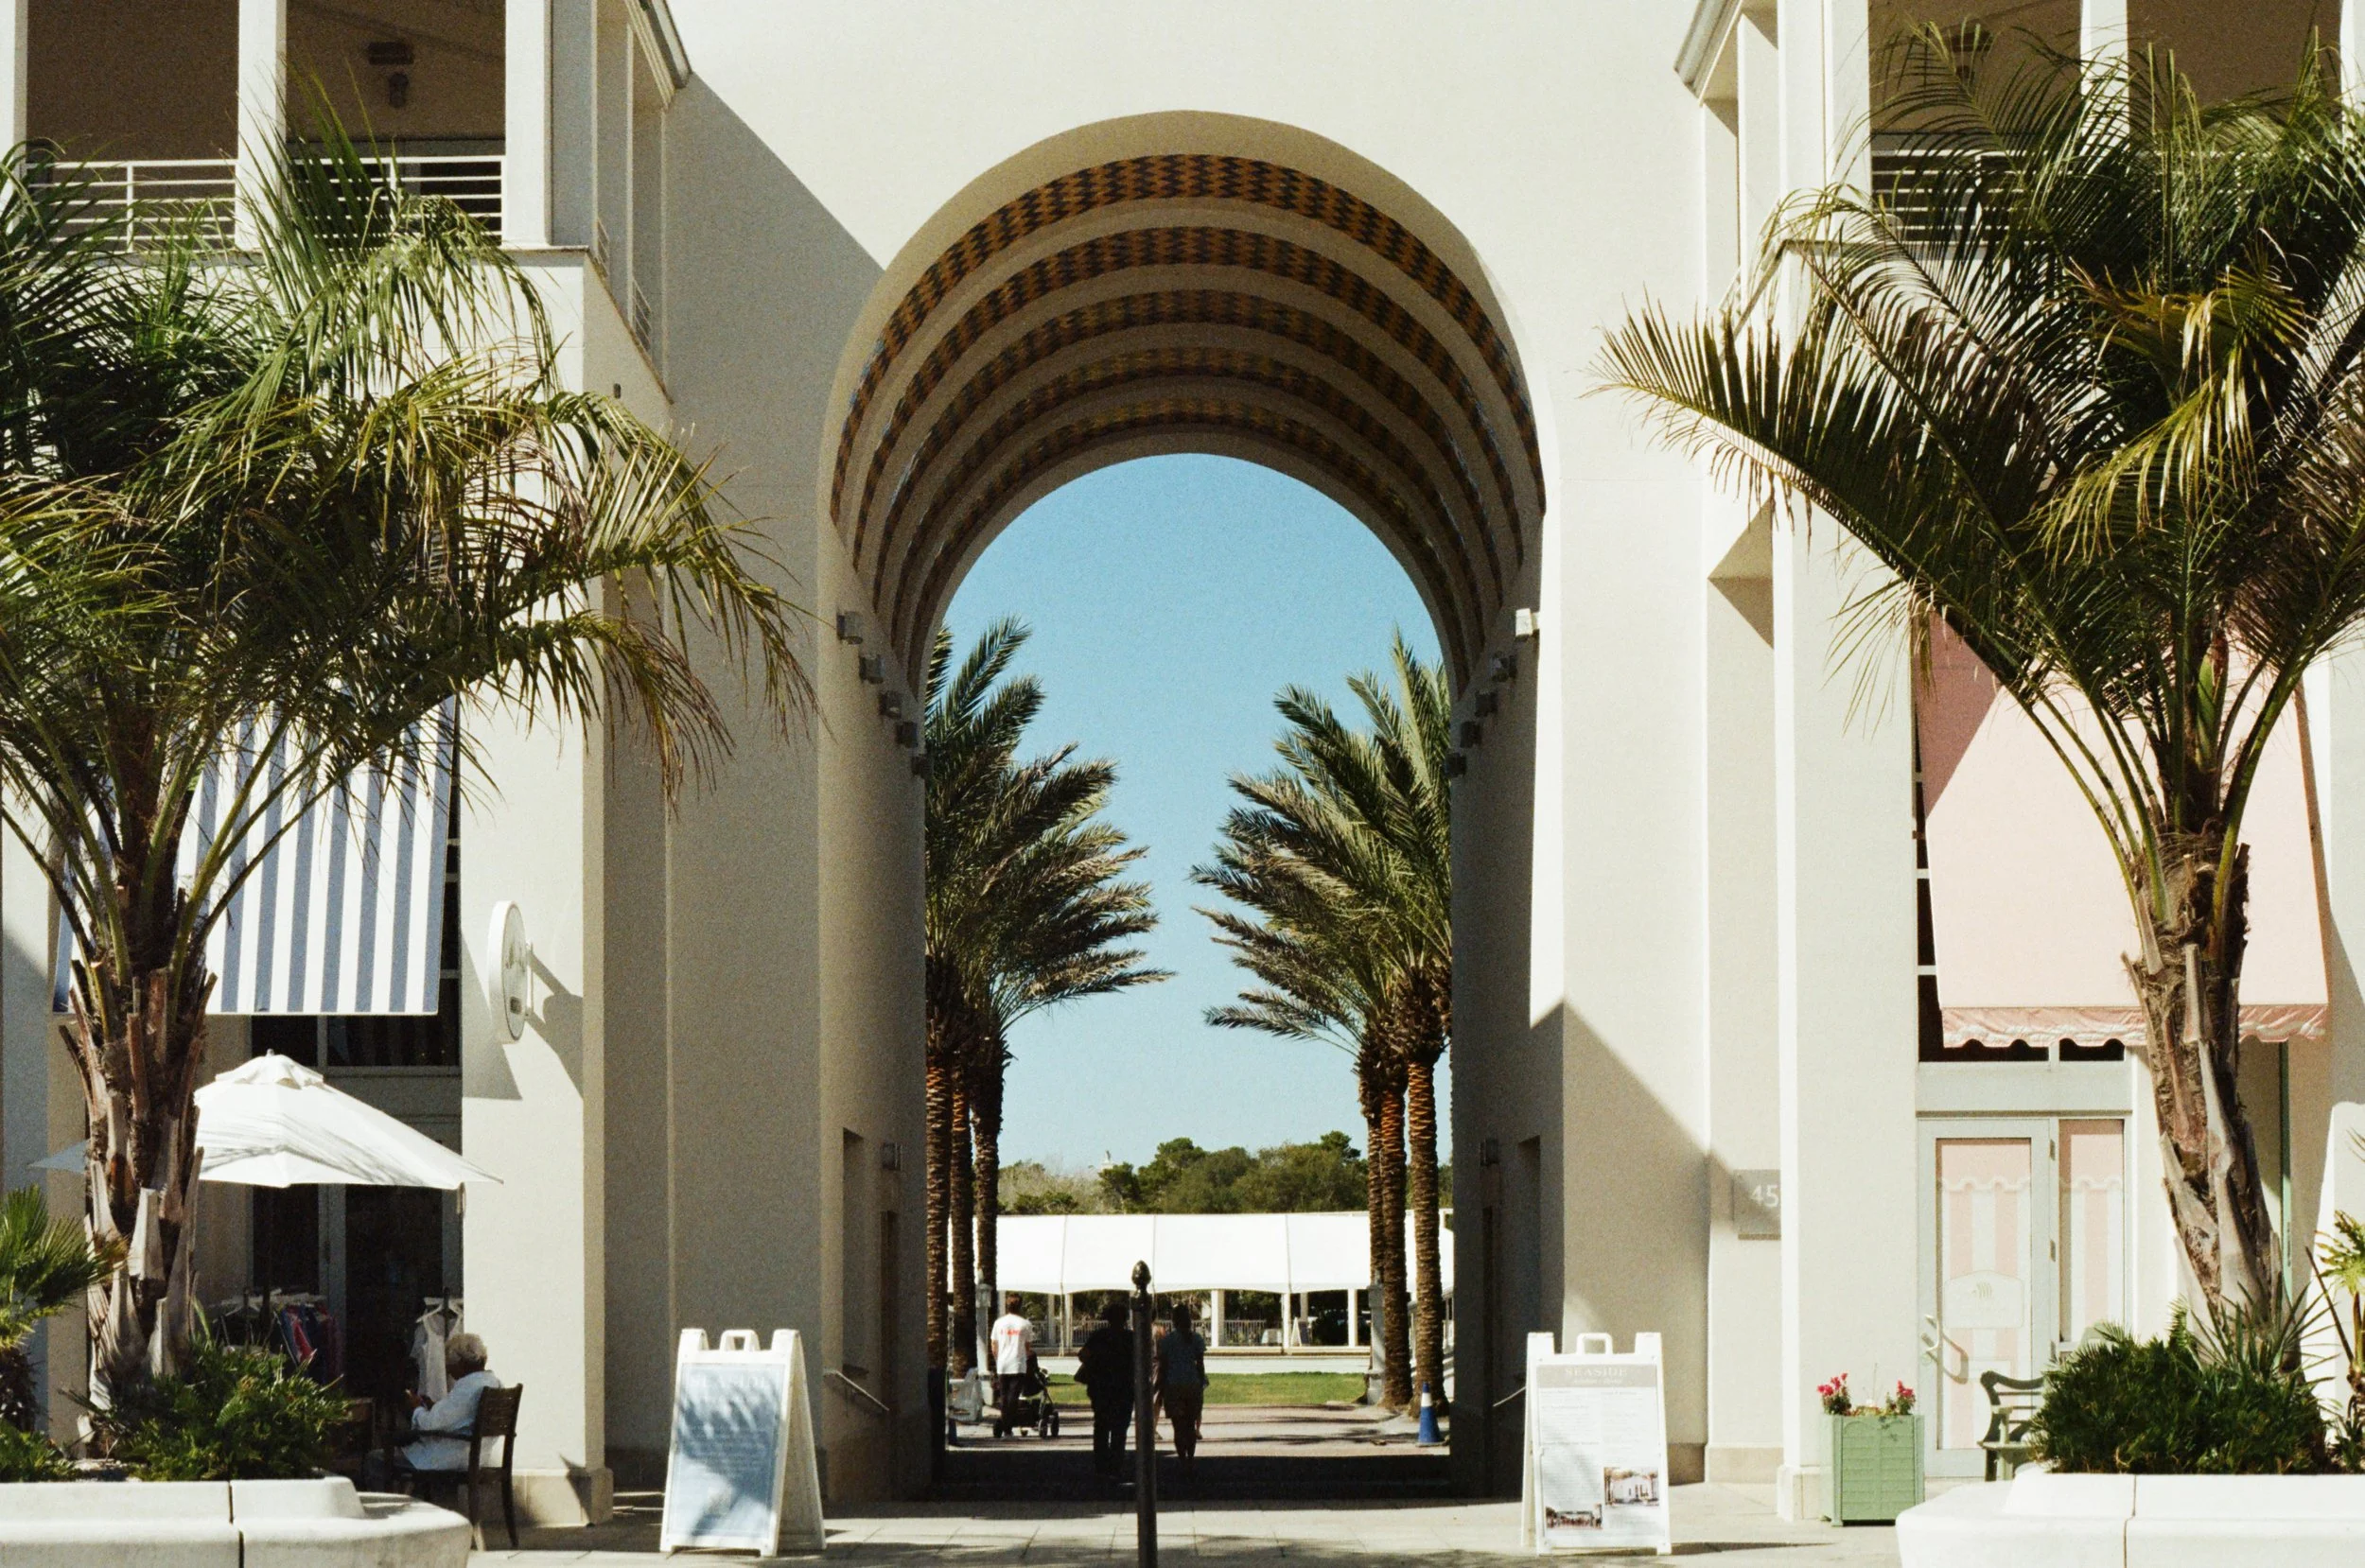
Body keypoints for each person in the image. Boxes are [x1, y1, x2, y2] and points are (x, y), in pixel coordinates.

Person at [1075, 1298, 1135, 1479]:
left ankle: (1101, 1465)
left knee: (1101, 1426)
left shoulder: (1099, 1336)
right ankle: (1116, 1466)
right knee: (1120, 1429)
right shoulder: (1130, 1338)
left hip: (1100, 1387)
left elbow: (1082, 1355)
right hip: (1124, 1388)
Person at [1155, 1301, 1209, 1474]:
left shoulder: (1167, 1342)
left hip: (1173, 1385)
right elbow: (1200, 1365)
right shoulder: (1196, 1339)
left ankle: (1183, 1460)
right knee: (1190, 1424)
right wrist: (1201, 1382)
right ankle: (1191, 1458)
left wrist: (1160, 1387)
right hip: (1192, 1384)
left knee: (1178, 1426)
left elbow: (1163, 1367)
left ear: (1173, 1321)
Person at [989, 1295, 1034, 1438]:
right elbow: (1028, 1347)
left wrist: (998, 1358)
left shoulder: (998, 1323)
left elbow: (994, 1345)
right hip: (1017, 1364)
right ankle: (1006, 1426)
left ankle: (1006, 1425)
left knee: (1004, 1397)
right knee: (1013, 1397)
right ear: (1020, 1306)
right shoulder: (1025, 1324)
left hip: (1003, 1364)